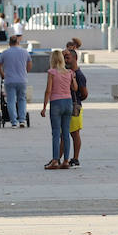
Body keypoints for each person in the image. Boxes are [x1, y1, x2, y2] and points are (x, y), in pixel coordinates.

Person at [40, 49, 76, 169]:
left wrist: (44, 107)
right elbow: (75, 88)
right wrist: (73, 77)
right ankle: (66, 160)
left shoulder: (52, 72)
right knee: (66, 133)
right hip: (68, 103)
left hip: (56, 103)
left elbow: (48, 90)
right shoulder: (69, 72)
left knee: (56, 133)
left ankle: (55, 160)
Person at [0, 34, 32, 128]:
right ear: (18, 42)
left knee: (11, 101)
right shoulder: (25, 52)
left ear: (9, 43)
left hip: (9, 80)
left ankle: (13, 122)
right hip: (22, 80)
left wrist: (2, 74)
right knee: (22, 99)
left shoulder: (5, 53)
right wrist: (25, 73)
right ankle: (22, 120)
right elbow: (29, 65)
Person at [65, 38, 87, 166]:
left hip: (75, 106)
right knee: (65, 134)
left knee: (74, 133)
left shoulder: (79, 75)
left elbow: (84, 93)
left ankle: (75, 157)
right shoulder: (65, 72)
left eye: (68, 58)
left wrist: (76, 101)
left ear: (75, 58)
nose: (65, 60)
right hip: (67, 104)